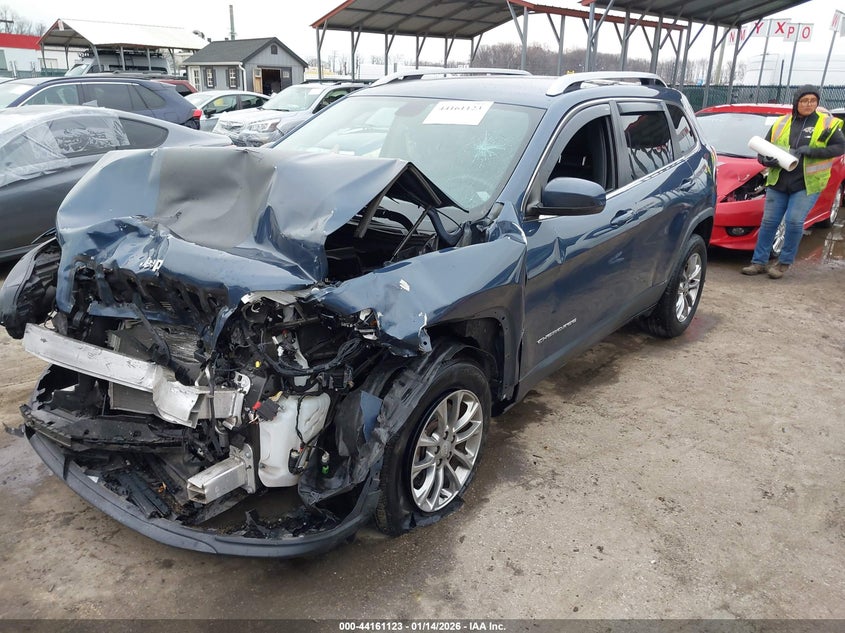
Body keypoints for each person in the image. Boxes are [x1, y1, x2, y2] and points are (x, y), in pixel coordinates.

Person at [741, 85, 845, 278]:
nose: (808, 104)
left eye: (813, 101)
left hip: (807, 184)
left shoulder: (827, 124)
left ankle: (783, 263)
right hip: (779, 181)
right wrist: (765, 160)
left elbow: (840, 147)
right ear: (796, 102)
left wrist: (812, 152)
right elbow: (763, 148)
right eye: (804, 100)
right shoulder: (781, 123)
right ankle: (759, 262)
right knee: (769, 222)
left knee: (794, 222)